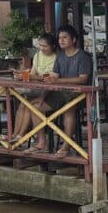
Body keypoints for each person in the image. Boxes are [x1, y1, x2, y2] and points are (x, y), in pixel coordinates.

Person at [25, 25, 92, 156]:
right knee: (35, 107)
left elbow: (83, 79)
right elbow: (54, 77)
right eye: (60, 38)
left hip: (79, 94)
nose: (61, 40)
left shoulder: (82, 56)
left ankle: (66, 147)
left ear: (73, 40)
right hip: (60, 92)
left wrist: (58, 81)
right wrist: (43, 97)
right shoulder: (60, 56)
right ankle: (41, 143)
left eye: (65, 37)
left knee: (68, 110)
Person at [10, 32, 58, 145]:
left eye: (44, 46)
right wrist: (22, 75)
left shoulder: (57, 58)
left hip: (50, 91)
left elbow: (50, 77)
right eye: (40, 45)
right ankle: (14, 135)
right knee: (22, 104)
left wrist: (32, 77)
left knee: (28, 106)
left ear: (53, 46)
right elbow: (32, 73)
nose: (41, 48)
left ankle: (21, 136)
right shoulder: (38, 55)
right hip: (37, 88)